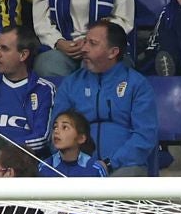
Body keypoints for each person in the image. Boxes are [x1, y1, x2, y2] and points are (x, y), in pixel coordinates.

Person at [52, 19, 156, 175]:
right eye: (85, 41)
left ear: (112, 52)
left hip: (124, 167)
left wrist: (109, 164)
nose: (84, 48)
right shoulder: (71, 83)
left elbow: (144, 136)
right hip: (76, 167)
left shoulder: (137, 84)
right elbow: (56, 130)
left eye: (92, 44)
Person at [32, 0, 134, 81]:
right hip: (65, 49)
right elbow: (41, 22)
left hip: (103, 48)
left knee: (96, 63)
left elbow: (124, 18)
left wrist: (92, 42)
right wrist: (58, 42)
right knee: (45, 64)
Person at [0, 26, 60, 151]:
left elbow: (42, 138)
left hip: (22, 160)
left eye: (4, 49)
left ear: (23, 55)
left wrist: (2, 149)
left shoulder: (44, 89)